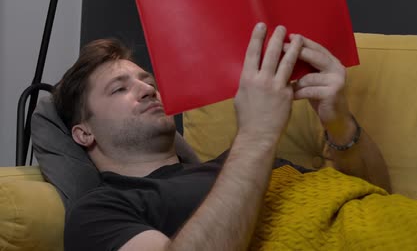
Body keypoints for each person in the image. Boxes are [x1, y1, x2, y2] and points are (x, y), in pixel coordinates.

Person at [55, 23, 391, 251]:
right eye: (120, 89)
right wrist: (257, 134)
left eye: (148, 81)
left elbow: (372, 194)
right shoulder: (100, 211)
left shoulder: (237, 162)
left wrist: (339, 121)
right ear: (84, 133)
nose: (147, 89)